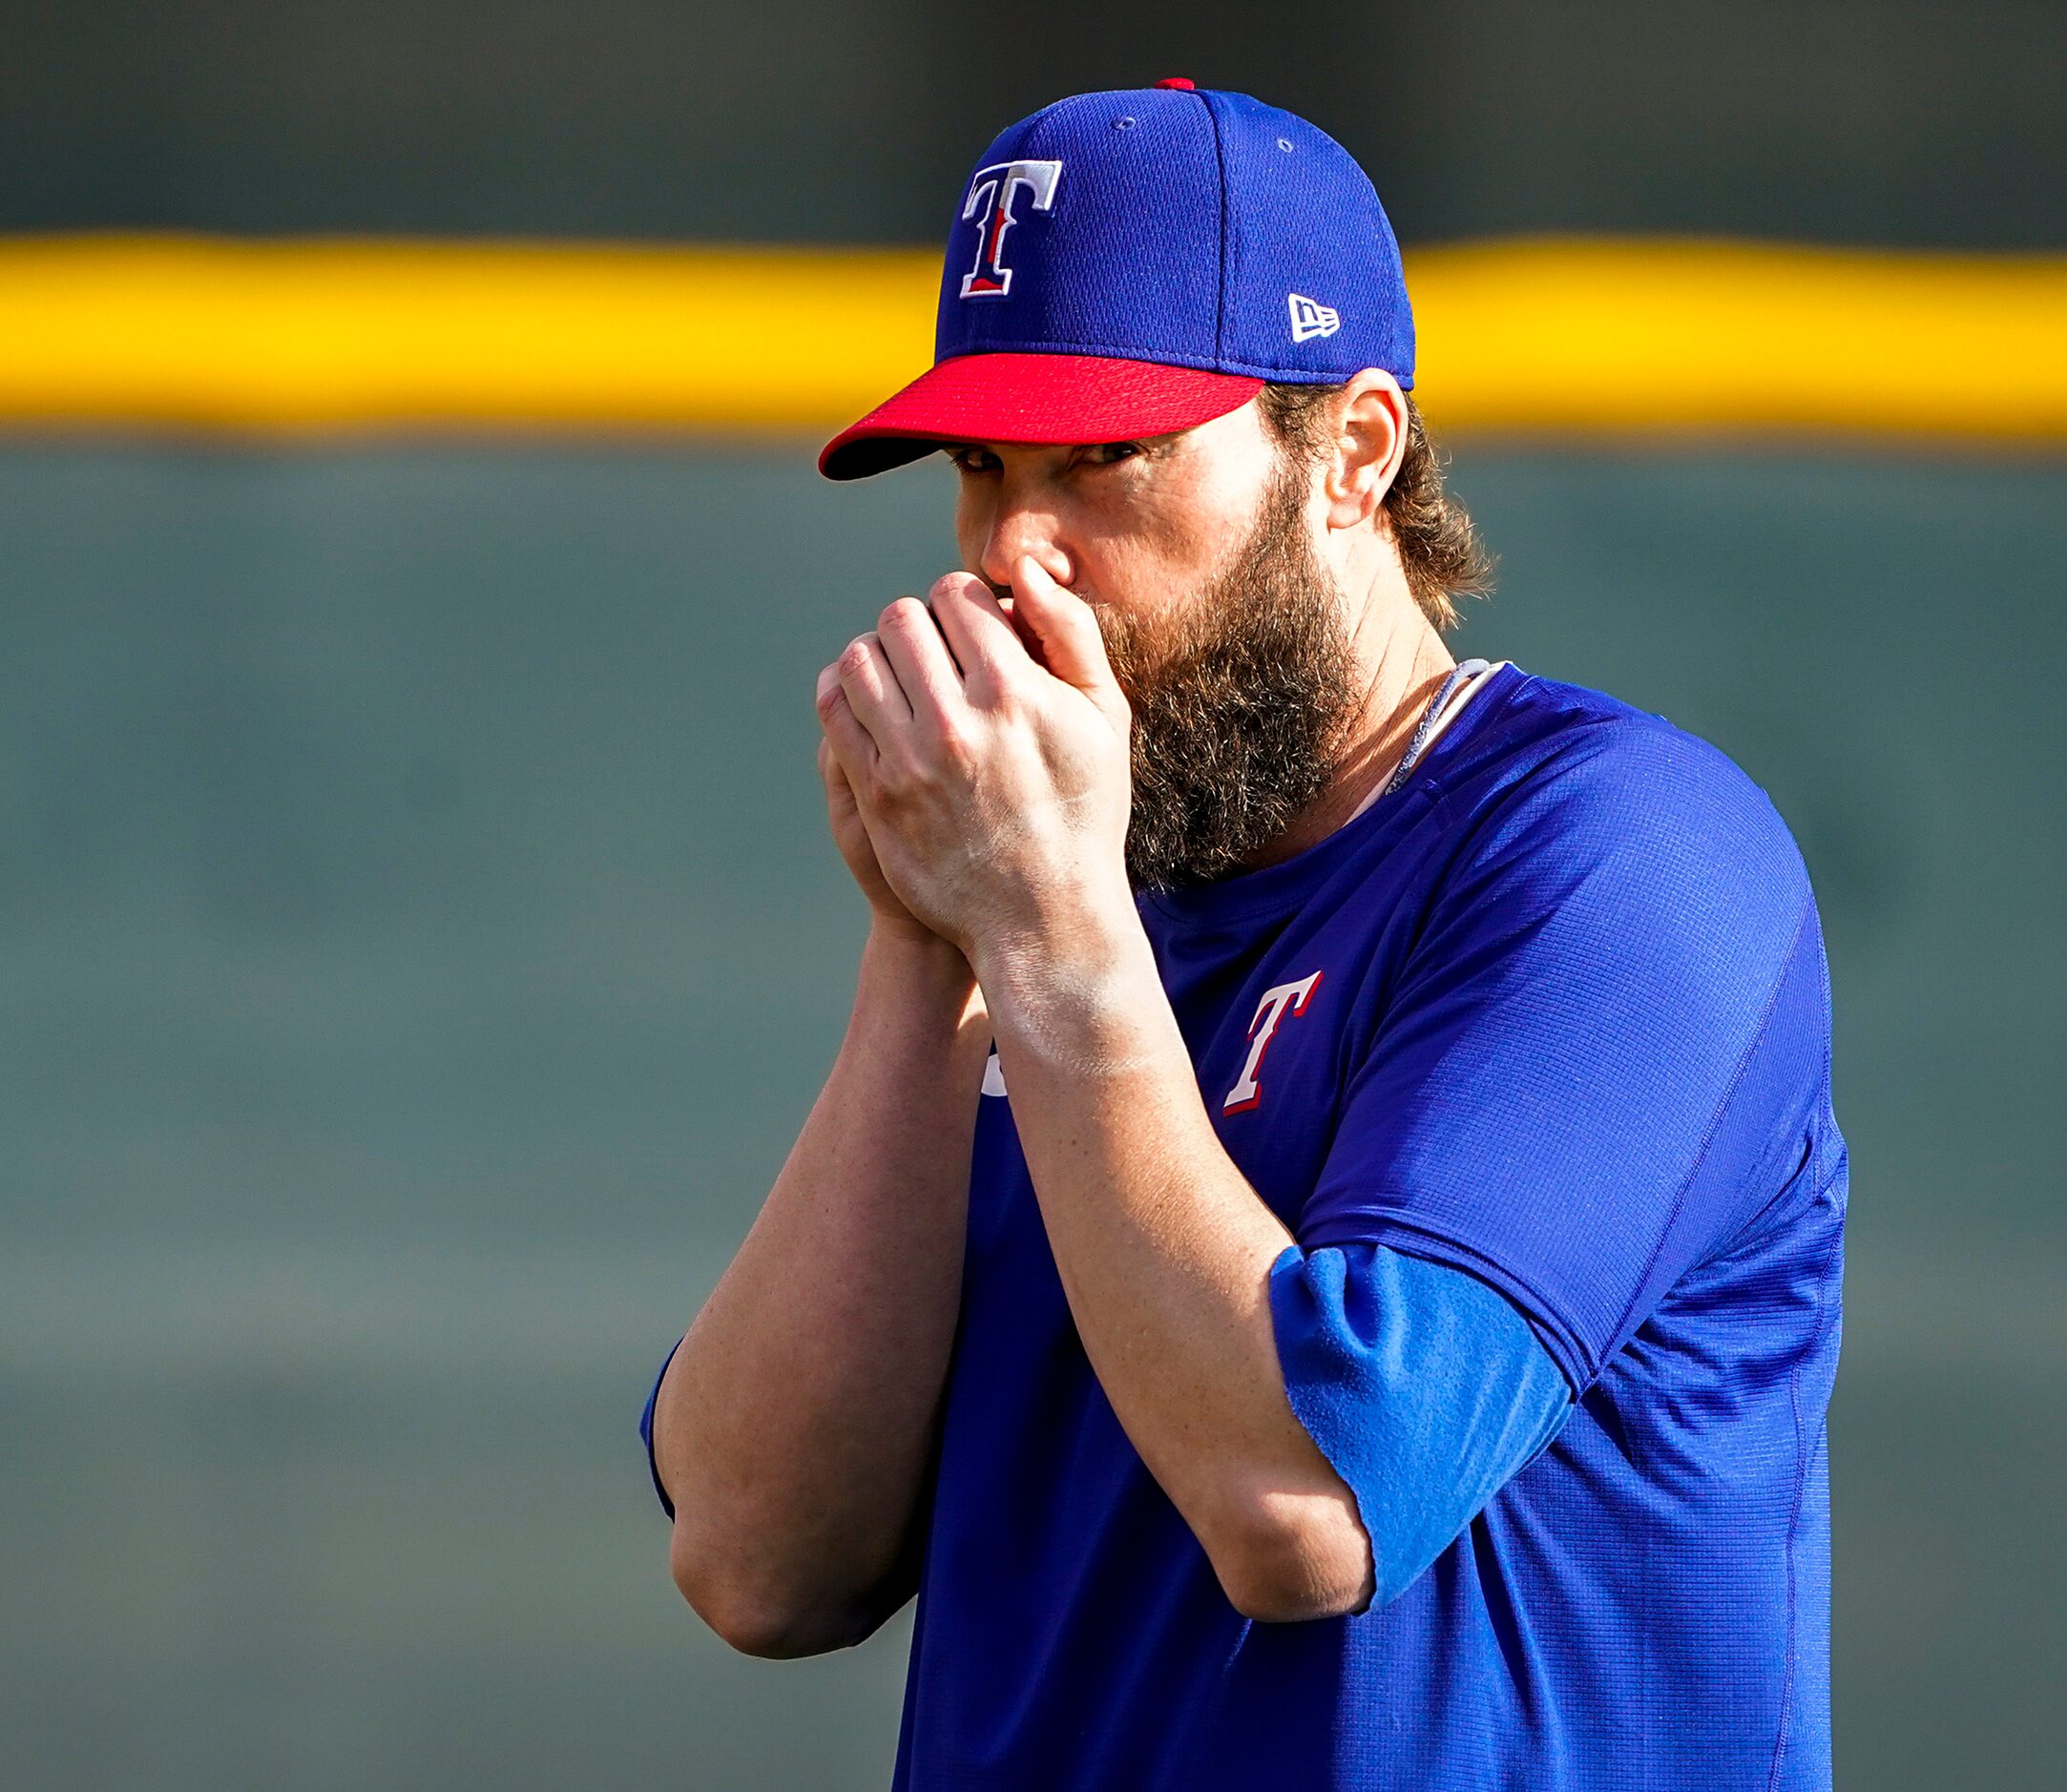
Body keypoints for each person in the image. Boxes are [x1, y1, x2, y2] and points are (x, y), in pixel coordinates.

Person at [641, 81, 1843, 1790]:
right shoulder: (1050, 907)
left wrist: (1038, 931)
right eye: (982, 467)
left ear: (1351, 454)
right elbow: (754, 1559)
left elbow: (1310, 1505)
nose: (1015, 553)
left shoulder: (1619, 852)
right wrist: (923, 952)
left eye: (1103, 459)